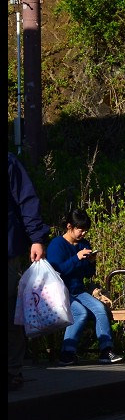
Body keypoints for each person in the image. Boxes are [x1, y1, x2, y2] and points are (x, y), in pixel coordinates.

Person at [46, 208, 123, 366]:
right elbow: (57, 271)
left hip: (78, 290)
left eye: (86, 230)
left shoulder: (83, 244)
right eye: (80, 229)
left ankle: (106, 350)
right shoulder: (57, 245)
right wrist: (77, 258)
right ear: (69, 226)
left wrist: (91, 262)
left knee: (100, 309)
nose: (83, 234)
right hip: (60, 292)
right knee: (80, 313)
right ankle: (67, 352)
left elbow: (88, 274)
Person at [8, 152, 50, 390]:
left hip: (8, 251)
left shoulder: (9, 162)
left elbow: (27, 200)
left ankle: (13, 370)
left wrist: (36, 238)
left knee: (10, 313)